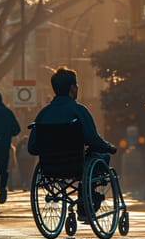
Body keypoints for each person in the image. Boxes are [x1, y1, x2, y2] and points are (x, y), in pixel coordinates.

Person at [28, 66, 117, 221]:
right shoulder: (78, 110)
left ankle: (84, 201)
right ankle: (86, 202)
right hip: (77, 164)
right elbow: (93, 140)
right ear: (72, 88)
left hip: (49, 167)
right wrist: (108, 147)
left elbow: (32, 147)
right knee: (101, 158)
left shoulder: (43, 114)